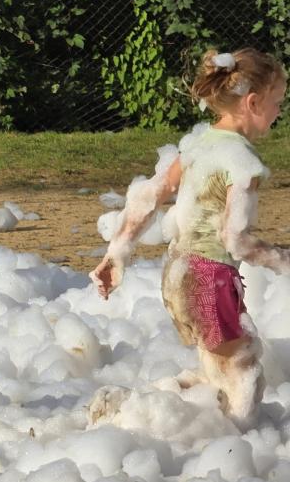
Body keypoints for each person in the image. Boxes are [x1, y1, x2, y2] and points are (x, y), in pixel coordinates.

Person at [91, 48, 288, 431]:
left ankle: (153, 416)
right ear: (252, 102)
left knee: (218, 373)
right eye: (277, 102)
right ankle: (232, 445)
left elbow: (151, 194)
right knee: (244, 373)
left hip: (177, 273)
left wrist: (117, 251)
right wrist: (283, 260)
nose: (279, 111)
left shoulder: (198, 144)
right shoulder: (244, 163)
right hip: (210, 280)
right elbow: (235, 240)